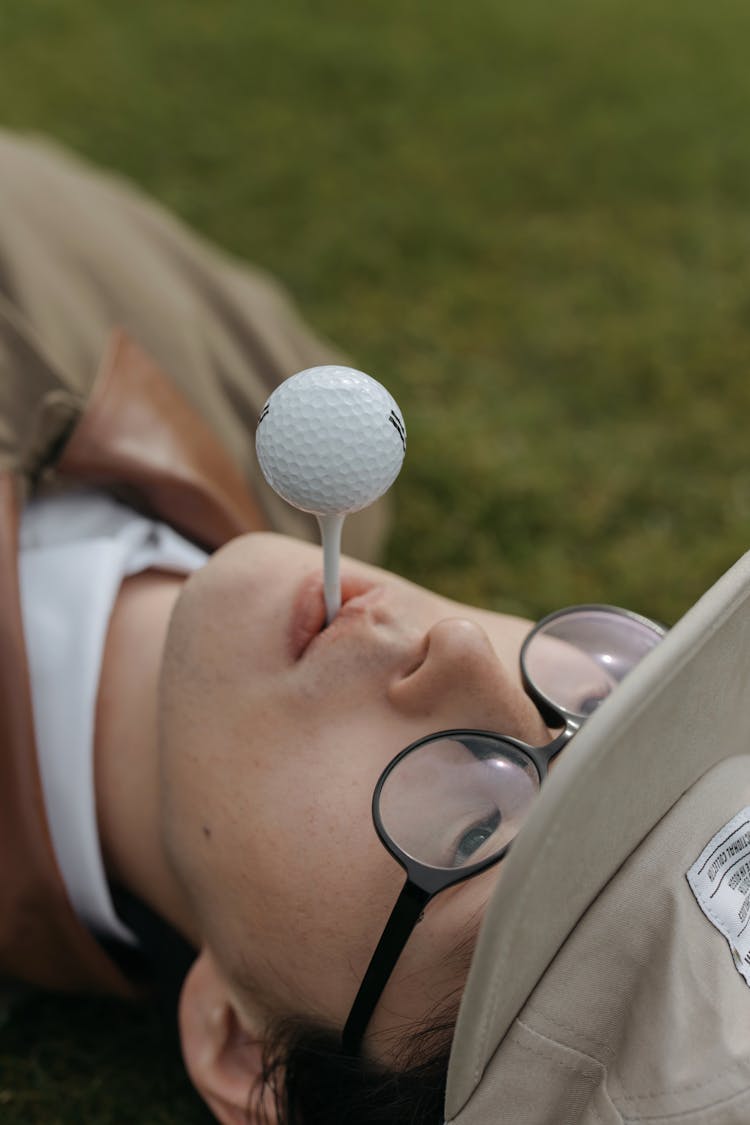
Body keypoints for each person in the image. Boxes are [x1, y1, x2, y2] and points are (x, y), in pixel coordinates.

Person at [0, 129, 558, 1124]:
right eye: (601, 696)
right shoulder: (260, 361)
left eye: (473, 828)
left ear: (239, 1039)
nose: (466, 653)